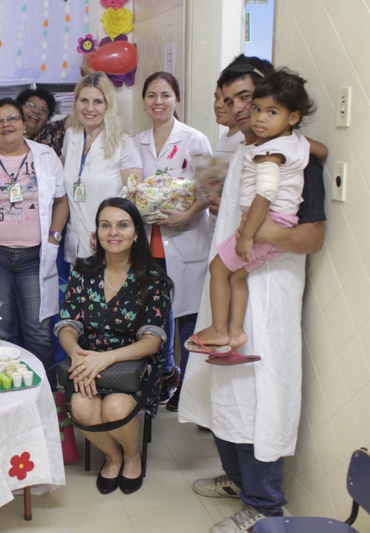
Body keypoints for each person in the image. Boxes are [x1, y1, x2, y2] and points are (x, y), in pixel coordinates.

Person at [180, 55, 327, 533]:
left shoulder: (291, 157)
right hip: (231, 284)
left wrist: (257, 233)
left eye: (248, 98)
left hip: (267, 292)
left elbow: (313, 237)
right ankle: (238, 480)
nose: (242, 109)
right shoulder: (244, 151)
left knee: (261, 396)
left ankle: (265, 504)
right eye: (230, 100)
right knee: (225, 388)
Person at [190, 70, 314, 364]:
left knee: (218, 269)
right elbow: (317, 149)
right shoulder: (295, 142)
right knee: (236, 276)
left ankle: (219, 329)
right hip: (274, 226)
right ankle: (236, 334)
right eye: (257, 109)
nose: (258, 117)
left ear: (293, 117)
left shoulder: (269, 152)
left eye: (271, 112)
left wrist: (247, 235)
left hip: (264, 226)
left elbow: (265, 194)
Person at [56, 197, 172, 495]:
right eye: (105, 225)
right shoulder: (83, 270)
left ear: (136, 233)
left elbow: (152, 341)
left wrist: (105, 359)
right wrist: (77, 355)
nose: (113, 232)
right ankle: (113, 456)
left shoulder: (154, 279)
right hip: (87, 360)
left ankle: (132, 456)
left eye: (123, 225)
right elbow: (67, 324)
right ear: (96, 232)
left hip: (133, 364)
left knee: (116, 407)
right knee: (81, 407)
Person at [0, 98, 69, 389]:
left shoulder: (46, 156)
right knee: (2, 330)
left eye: (12, 118)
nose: (6, 125)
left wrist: (53, 237)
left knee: (38, 332)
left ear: (23, 123)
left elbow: (61, 201)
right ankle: (10, 397)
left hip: (34, 258)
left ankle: (45, 396)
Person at [135, 71, 214, 402]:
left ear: (176, 99)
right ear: (144, 102)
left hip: (187, 237)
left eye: (165, 95)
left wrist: (187, 214)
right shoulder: (135, 142)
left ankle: (191, 393)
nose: (158, 102)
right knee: (156, 317)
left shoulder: (195, 140)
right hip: (150, 243)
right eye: (151, 95)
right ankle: (165, 380)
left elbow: (210, 189)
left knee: (189, 319)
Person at [166, 83, 245, 411]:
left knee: (197, 315)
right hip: (216, 235)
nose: (221, 105)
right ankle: (194, 396)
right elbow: (210, 191)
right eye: (218, 98)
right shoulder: (225, 139)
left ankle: (195, 392)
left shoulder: (239, 142)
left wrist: (196, 209)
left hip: (233, 242)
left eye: (234, 99)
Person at [62, 72, 142, 264]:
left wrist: (109, 235)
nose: (89, 108)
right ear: (76, 102)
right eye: (84, 100)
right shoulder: (71, 136)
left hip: (111, 246)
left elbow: (134, 200)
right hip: (76, 244)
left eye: (97, 101)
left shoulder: (124, 143)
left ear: (108, 105)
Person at [214, 85, 244, 160]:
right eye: (217, 98)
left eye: (227, 99)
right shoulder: (225, 136)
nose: (218, 105)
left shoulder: (245, 139)